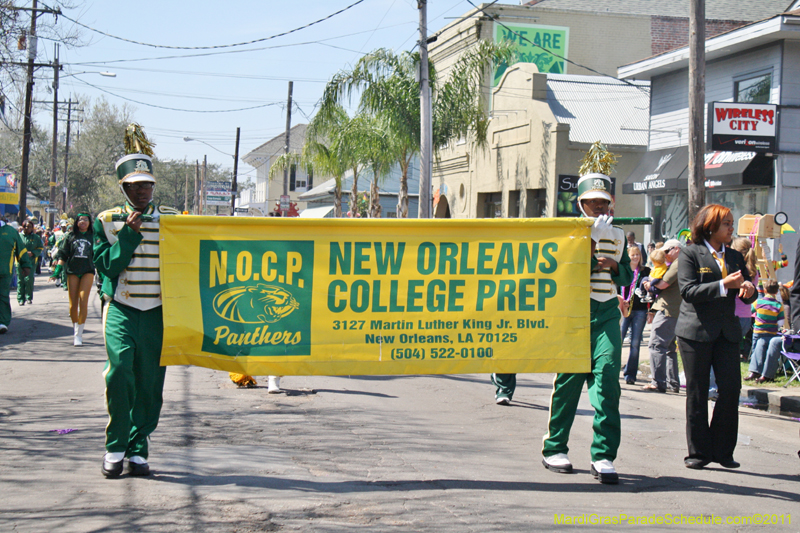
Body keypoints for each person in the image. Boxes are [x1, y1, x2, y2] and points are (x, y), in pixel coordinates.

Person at [94, 126, 180, 478]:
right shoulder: (108, 220)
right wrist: (129, 234)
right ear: (123, 188)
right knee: (119, 375)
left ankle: (139, 447)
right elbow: (107, 266)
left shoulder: (174, 220)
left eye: (147, 185)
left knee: (150, 383)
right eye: (135, 185)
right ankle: (115, 446)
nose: (142, 191)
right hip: (122, 309)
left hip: (158, 313)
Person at [542, 173, 632, 484]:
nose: (597, 206)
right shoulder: (567, 232)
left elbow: (626, 278)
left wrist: (615, 267)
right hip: (574, 313)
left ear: (611, 204)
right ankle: (554, 447)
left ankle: (603, 454)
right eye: (591, 201)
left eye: (602, 201)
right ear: (580, 203)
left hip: (606, 313)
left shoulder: (619, 234)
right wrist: (589, 241)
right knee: (568, 383)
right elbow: (563, 270)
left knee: (607, 383)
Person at [676, 204, 756, 470]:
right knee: (697, 393)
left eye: (732, 223)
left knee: (731, 390)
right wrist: (724, 285)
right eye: (727, 224)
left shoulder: (734, 256)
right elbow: (688, 291)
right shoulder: (690, 253)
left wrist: (748, 287)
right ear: (710, 226)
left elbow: (748, 289)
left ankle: (723, 451)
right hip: (695, 332)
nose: (731, 228)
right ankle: (698, 452)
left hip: (727, 332)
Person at [642, 240, 683, 393]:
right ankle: (673, 383)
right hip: (676, 310)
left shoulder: (678, 263)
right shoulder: (682, 262)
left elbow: (662, 284)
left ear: (676, 249)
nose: (664, 255)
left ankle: (658, 382)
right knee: (669, 348)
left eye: (667, 251)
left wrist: (649, 283)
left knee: (656, 345)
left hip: (668, 309)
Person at [50, 214, 96, 346]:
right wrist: (56, 272)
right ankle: (75, 327)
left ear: (89, 222)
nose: (83, 222)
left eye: (86, 220)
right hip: (72, 272)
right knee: (72, 305)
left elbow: (98, 256)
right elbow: (63, 255)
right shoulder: (70, 236)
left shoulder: (93, 236)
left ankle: (79, 334)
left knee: (83, 300)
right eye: (81, 220)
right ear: (76, 222)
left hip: (87, 271)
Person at [620, 245, 650, 385]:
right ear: (628, 256)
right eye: (633, 255)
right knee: (617, 340)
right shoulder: (624, 270)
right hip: (624, 309)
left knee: (635, 343)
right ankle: (613, 370)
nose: (636, 257)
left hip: (640, 310)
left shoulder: (645, 271)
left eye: (638, 255)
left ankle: (630, 374)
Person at [745, 279, 784, 383]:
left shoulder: (758, 302)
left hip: (758, 330)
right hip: (771, 333)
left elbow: (749, 311)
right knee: (765, 351)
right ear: (776, 292)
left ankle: (754, 371)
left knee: (755, 351)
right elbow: (780, 323)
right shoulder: (779, 305)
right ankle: (762, 373)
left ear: (765, 290)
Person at [0, 220, 33, 334]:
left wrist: (26, 265)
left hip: (4, 271)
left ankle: (2, 322)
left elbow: (21, 249)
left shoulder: (10, 232)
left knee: (2, 295)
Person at [16, 219, 43, 306]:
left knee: (29, 279)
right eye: (26, 226)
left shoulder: (36, 238)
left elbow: (40, 248)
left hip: (31, 261)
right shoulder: (19, 236)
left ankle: (28, 297)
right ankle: (20, 299)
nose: (28, 228)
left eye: (30, 227)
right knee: (21, 280)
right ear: (23, 227)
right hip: (19, 261)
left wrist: (33, 253)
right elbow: (14, 248)